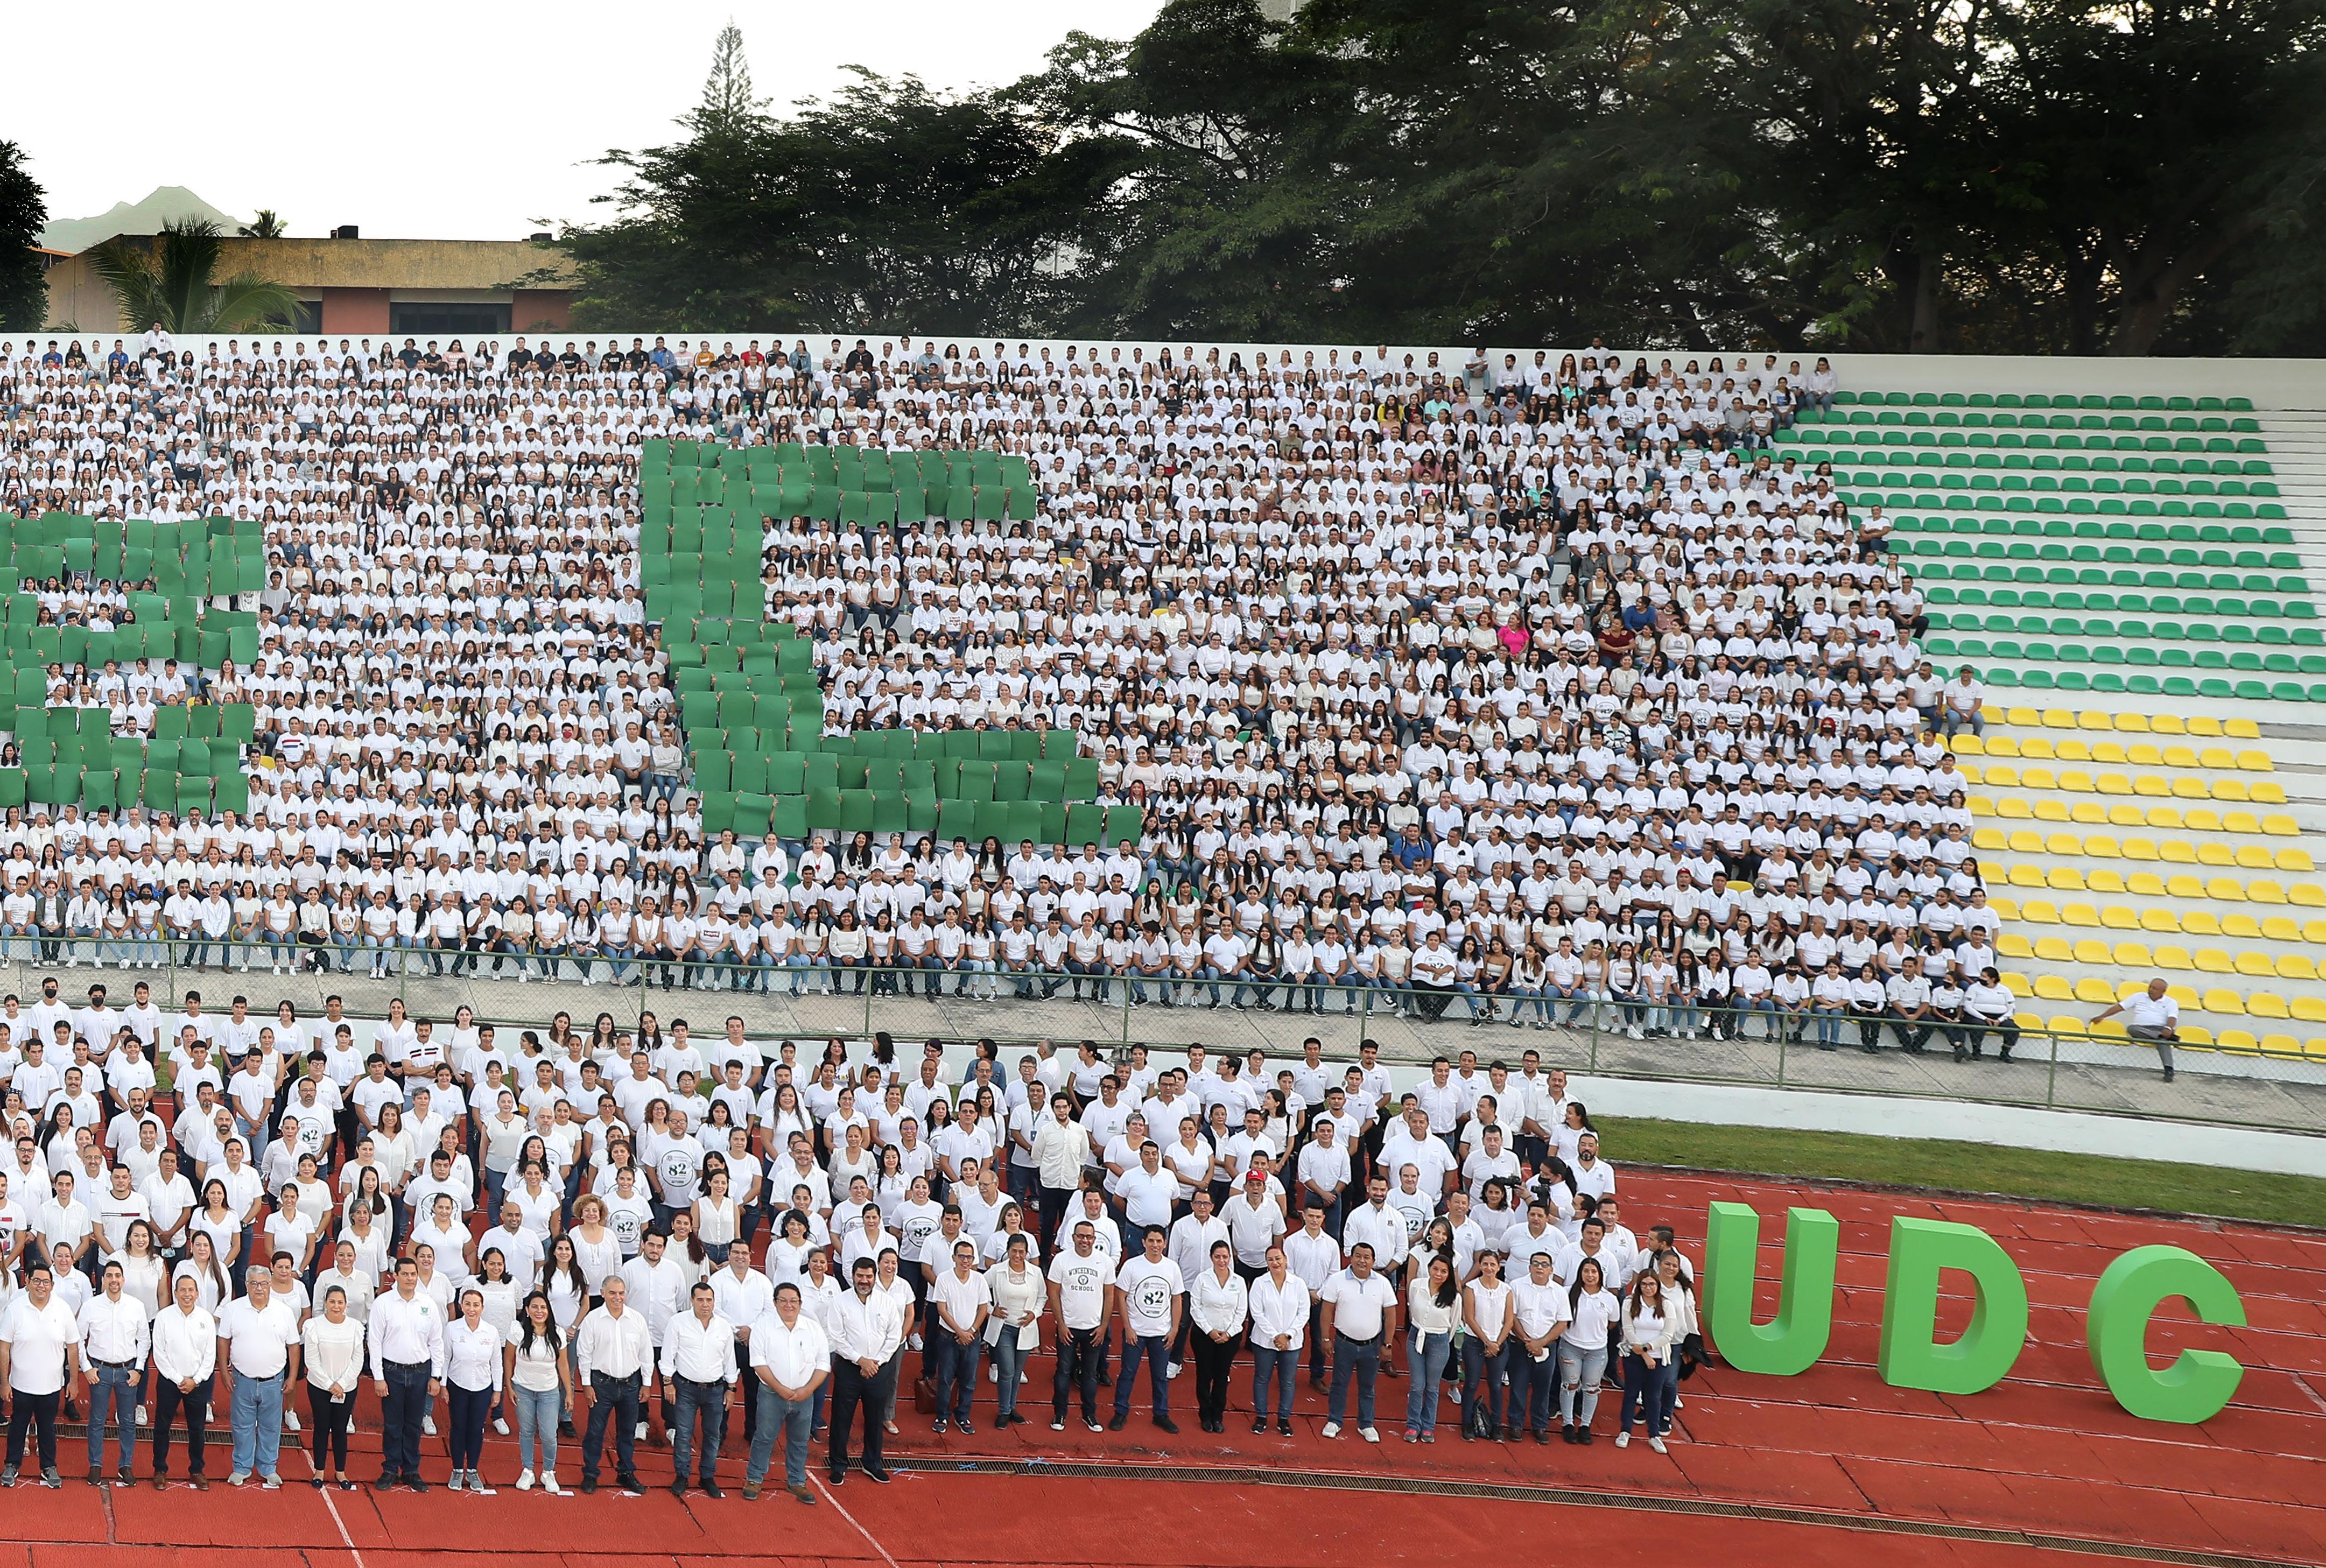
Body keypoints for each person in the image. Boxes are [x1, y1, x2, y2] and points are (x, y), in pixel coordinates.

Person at [367, 1254, 446, 1492]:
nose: (410, 1278)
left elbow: (437, 1342)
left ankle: (411, 1470)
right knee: (393, 1425)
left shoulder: (428, 1304)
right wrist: (378, 1377)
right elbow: (374, 1342)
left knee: (413, 1425)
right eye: (405, 1274)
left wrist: (437, 1376)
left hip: (421, 1372)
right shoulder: (383, 1303)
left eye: (413, 1274)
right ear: (396, 1276)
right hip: (392, 1372)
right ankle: (391, 1469)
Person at [216, 1264, 301, 1487]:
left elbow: (293, 1346)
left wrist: (292, 1377)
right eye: (254, 1283)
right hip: (242, 1379)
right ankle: (242, 1467)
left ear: (270, 1285)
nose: (259, 1288)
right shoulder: (233, 1309)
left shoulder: (283, 1312)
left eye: (263, 1283)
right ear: (246, 1285)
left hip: (274, 1381)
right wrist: (224, 1372)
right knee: (241, 1426)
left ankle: (268, 1467)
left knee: (271, 1427)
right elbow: (223, 1341)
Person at [744, 1280, 827, 1504]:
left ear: (800, 1303)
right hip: (772, 1394)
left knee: (800, 1441)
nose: (789, 1305)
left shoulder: (813, 1328)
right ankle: (754, 1478)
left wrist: (807, 1390)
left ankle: (797, 1481)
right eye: (783, 1301)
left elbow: (823, 1364)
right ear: (775, 1303)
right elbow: (758, 1362)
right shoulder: (763, 1327)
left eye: (794, 1301)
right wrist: (780, 1388)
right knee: (764, 1437)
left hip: (804, 1397)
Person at [0, 1261, 80, 1486]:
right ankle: (11, 1465)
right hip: (21, 1384)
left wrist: (74, 1382)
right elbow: (4, 1347)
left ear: (52, 1285)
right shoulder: (15, 1309)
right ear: (27, 1282)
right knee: (18, 1425)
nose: (41, 1286)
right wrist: (4, 1383)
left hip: (52, 1385)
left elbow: (73, 1347)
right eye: (36, 1281)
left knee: (47, 1428)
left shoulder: (63, 1309)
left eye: (46, 1282)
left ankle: (48, 1467)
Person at [826, 1255, 903, 1484]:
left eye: (869, 1276)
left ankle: (872, 1463)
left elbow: (894, 1336)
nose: (864, 1280)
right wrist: (861, 1361)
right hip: (849, 1369)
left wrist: (875, 1362)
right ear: (853, 1276)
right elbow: (837, 1337)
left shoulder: (887, 1303)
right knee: (841, 1418)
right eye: (860, 1276)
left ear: (875, 1277)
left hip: (878, 1369)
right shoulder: (840, 1302)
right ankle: (838, 1465)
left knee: (875, 1418)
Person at [572, 1272, 651, 1494]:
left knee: (627, 1431)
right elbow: (584, 1354)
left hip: (631, 1385)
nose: (618, 1297)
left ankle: (626, 1472)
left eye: (621, 1293)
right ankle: (590, 1473)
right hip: (602, 1385)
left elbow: (646, 1354)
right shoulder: (592, 1320)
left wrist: (646, 1383)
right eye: (613, 1293)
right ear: (603, 1294)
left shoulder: (637, 1319)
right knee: (595, 1431)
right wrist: (586, 1385)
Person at [661, 1280, 737, 1497]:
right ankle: (682, 1475)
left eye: (709, 1300)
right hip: (685, 1388)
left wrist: (732, 1389)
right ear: (692, 1301)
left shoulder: (723, 1327)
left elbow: (729, 1360)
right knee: (683, 1434)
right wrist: (668, 1383)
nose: (705, 1304)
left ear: (714, 1302)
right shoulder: (678, 1322)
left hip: (715, 1390)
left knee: (713, 1434)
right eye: (701, 1300)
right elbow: (667, 1356)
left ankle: (707, 1476)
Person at [78, 1257, 149, 1483]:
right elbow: (78, 1339)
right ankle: (95, 1465)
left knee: (128, 1421)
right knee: (97, 1421)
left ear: (123, 1280)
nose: (114, 1280)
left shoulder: (136, 1306)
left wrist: (139, 1370)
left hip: (128, 1372)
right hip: (100, 1372)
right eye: (109, 1276)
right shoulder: (91, 1306)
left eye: (117, 1276)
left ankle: (126, 1465)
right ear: (102, 1279)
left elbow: (144, 1340)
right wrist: (87, 1368)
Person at [1319, 1240, 1397, 1442]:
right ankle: (1335, 1420)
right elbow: (1327, 1310)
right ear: (1351, 1258)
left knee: (1368, 1388)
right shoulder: (1337, 1280)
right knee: (1339, 1384)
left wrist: (1388, 1344)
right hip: (1344, 1343)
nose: (1362, 1261)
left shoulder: (1383, 1283)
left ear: (1373, 1261)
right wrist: (1326, 1337)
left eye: (1367, 1257)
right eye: (1358, 1256)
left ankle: (1366, 1424)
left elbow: (1390, 1315)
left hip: (1371, 1346)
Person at [1109, 1225, 1182, 1433]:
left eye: (1159, 1241)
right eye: (1151, 1241)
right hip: (1136, 1332)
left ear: (1165, 1244)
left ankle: (1161, 1414)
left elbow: (1177, 1300)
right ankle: (1120, 1411)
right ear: (1143, 1242)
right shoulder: (1132, 1266)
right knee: (1127, 1373)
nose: (1155, 1245)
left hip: (1161, 1333)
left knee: (1160, 1376)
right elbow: (1121, 1296)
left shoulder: (1172, 1268)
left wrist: (1174, 1330)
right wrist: (1128, 1327)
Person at [149, 1271, 216, 1489]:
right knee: (162, 1427)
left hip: (198, 1384)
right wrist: (179, 1379)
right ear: (175, 1293)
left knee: (197, 1429)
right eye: (183, 1290)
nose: (187, 1294)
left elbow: (210, 1356)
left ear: (197, 1294)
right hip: (170, 1382)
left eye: (191, 1290)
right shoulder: (164, 1317)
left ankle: (197, 1470)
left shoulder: (206, 1319)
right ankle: (160, 1469)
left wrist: (196, 1380)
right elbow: (160, 1354)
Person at [1046, 1218, 1109, 1432]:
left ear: (1094, 1239)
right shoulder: (1061, 1260)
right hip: (1068, 1328)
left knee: (1090, 1374)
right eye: (1081, 1236)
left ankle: (1089, 1414)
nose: (1085, 1240)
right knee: (1063, 1371)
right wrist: (1061, 1324)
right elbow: (1053, 1292)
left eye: (1089, 1237)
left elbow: (1109, 1295)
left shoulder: (1105, 1262)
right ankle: (1060, 1413)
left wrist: (1103, 1326)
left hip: (1094, 1328)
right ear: (1073, 1237)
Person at [504, 1290, 568, 1494]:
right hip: (523, 1390)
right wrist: (509, 1386)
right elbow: (508, 1359)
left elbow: (563, 1364)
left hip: (549, 1392)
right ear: (527, 1310)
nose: (539, 1311)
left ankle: (548, 1472)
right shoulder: (517, 1330)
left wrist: (569, 1393)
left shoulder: (558, 1333)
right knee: (527, 1431)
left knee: (549, 1434)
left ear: (549, 1310)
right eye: (534, 1307)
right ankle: (528, 1470)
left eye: (543, 1307)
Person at [301, 1284, 364, 1489]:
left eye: (340, 1302)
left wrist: (342, 1385)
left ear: (346, 1305)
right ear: (325, 1303)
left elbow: (357, 1360)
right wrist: (330, 1385)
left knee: (340, 1429)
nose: (336, 1306)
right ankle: (319, 1470)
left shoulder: (355, 1327)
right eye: (332, 1302)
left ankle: (340, 1472)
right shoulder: (314, 1326)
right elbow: (311, 1361)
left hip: (347, 1388)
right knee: (321, 1428)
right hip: (319, 1388)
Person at [444, 1286, 504, 1493]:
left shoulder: (491, 1331)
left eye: (476, 1305)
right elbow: (445, 1357)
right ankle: (457, 1469)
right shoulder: (452, 1329)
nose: (472, 1309)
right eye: (468, 1304)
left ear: (482, 1308)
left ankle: (472, 1469)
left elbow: (497, 1363)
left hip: (483, 1387)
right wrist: (443, 1384)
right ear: (461, 1306)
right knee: (458, 1427)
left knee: (476, 1429)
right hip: (458, 1385)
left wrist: (497, 1390)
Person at [1246, 1242, 1308, 1436]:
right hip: (1264, 1342)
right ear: (1266, 1262)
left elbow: (1304, 1313)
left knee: (1288, 1382)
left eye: (1278, 1259)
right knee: (1262, 1378)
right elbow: (1257, 1313)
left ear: (1286, 1260)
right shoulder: (1260, 1283)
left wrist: (1287, 1335)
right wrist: (1275, 1336)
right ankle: (1261, 1417)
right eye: (1271, 1260)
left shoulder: (1298, 1284)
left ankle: (1284, 1419)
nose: (1275, 1263)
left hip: (1292, 1342)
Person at [1187, 1238, 1247, 1433]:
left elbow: (1241, 1311)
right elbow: (1195, 1308)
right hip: (1204, 1337)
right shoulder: (1202, 1279)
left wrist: (1229, 1333)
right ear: (1211, 1258)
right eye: (1218, 1257)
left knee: (1222, 1377)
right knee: (1204, 1375)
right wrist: (1210, 1331)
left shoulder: (1238, 1281)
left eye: (1225, 1257)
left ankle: (1218, 1416)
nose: (1222, 1261)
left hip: (1230, 1338)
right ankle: (1205, 1415)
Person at [1559, 1256, 1618, 1444]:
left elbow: (1613, 1322)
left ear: (1600, 1274)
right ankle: (1568, 1423)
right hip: (1571, 1347)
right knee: (1570, 1385)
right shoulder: (1568, 1293)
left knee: (1592, 1389)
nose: (1590, 1275)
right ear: (1580, 1273)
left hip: (1597, 1351)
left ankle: (1585, 1425)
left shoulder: (1610, 1299)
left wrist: (1596, 1335)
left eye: (1594, 1272)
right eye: (1586, 1271)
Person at [930, 1237, 986, 1433]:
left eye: (969, 1257)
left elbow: (983, 1308)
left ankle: (963, 1416)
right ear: (954, 1257)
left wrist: (971, 1331)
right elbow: (942, 1309)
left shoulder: (979, 1279)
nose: (966, 1261)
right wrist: (959, 1332)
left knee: (969, 1380)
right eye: (962, 1256)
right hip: (948, 1336)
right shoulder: (944, 1278)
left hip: (972, 1338)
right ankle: (942, 1415)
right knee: (945, 1378)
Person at [1616, 1271, 1676, 1452]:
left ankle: (1654, 1435)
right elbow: (1628, 1330)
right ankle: (1625, 1431)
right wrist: (1644, 1354)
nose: (1648, 1288)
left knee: (1653, 1396)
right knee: (1631, 1393)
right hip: (1635, 1357)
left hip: (1659, 1358)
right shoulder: (1630, 1303)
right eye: (1644, 1284)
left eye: (1652, 1284)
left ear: (1658, 1286)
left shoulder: (1667, 1305)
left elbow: (1668, 1335)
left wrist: (1648, 1348)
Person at [1403, 1250, 1459, 1442]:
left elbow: (1454, 1324)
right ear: (1429, 1269)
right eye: (1435, 1269)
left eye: (1444, 1271)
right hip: (1416, 1337)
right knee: (1417, 1385)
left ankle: (1428, 1426)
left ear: (1449, 1274)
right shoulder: (1416, 1285)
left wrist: (1439, 1338)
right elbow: (1412, 1309)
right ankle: (1413, 1425)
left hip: (1439, 1341)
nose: (1439, 1274)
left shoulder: (1454, 1297)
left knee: (1433, 1387)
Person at [2092, 978, 2180, 1082]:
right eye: (2150, 987)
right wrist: (2102, 1016)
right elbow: (2121, 1007)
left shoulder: (2171, 1002)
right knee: (2132, 1029)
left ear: (2163, 991)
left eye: (2155, 989)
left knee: (2162, 1042)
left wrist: (2168, 1028)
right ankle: (2160, 1036)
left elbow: (2172, 1018)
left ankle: (2169, 1071)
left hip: (2161, 1029)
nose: (2151, 990)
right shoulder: (2139, 997)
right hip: (2141, 1029)